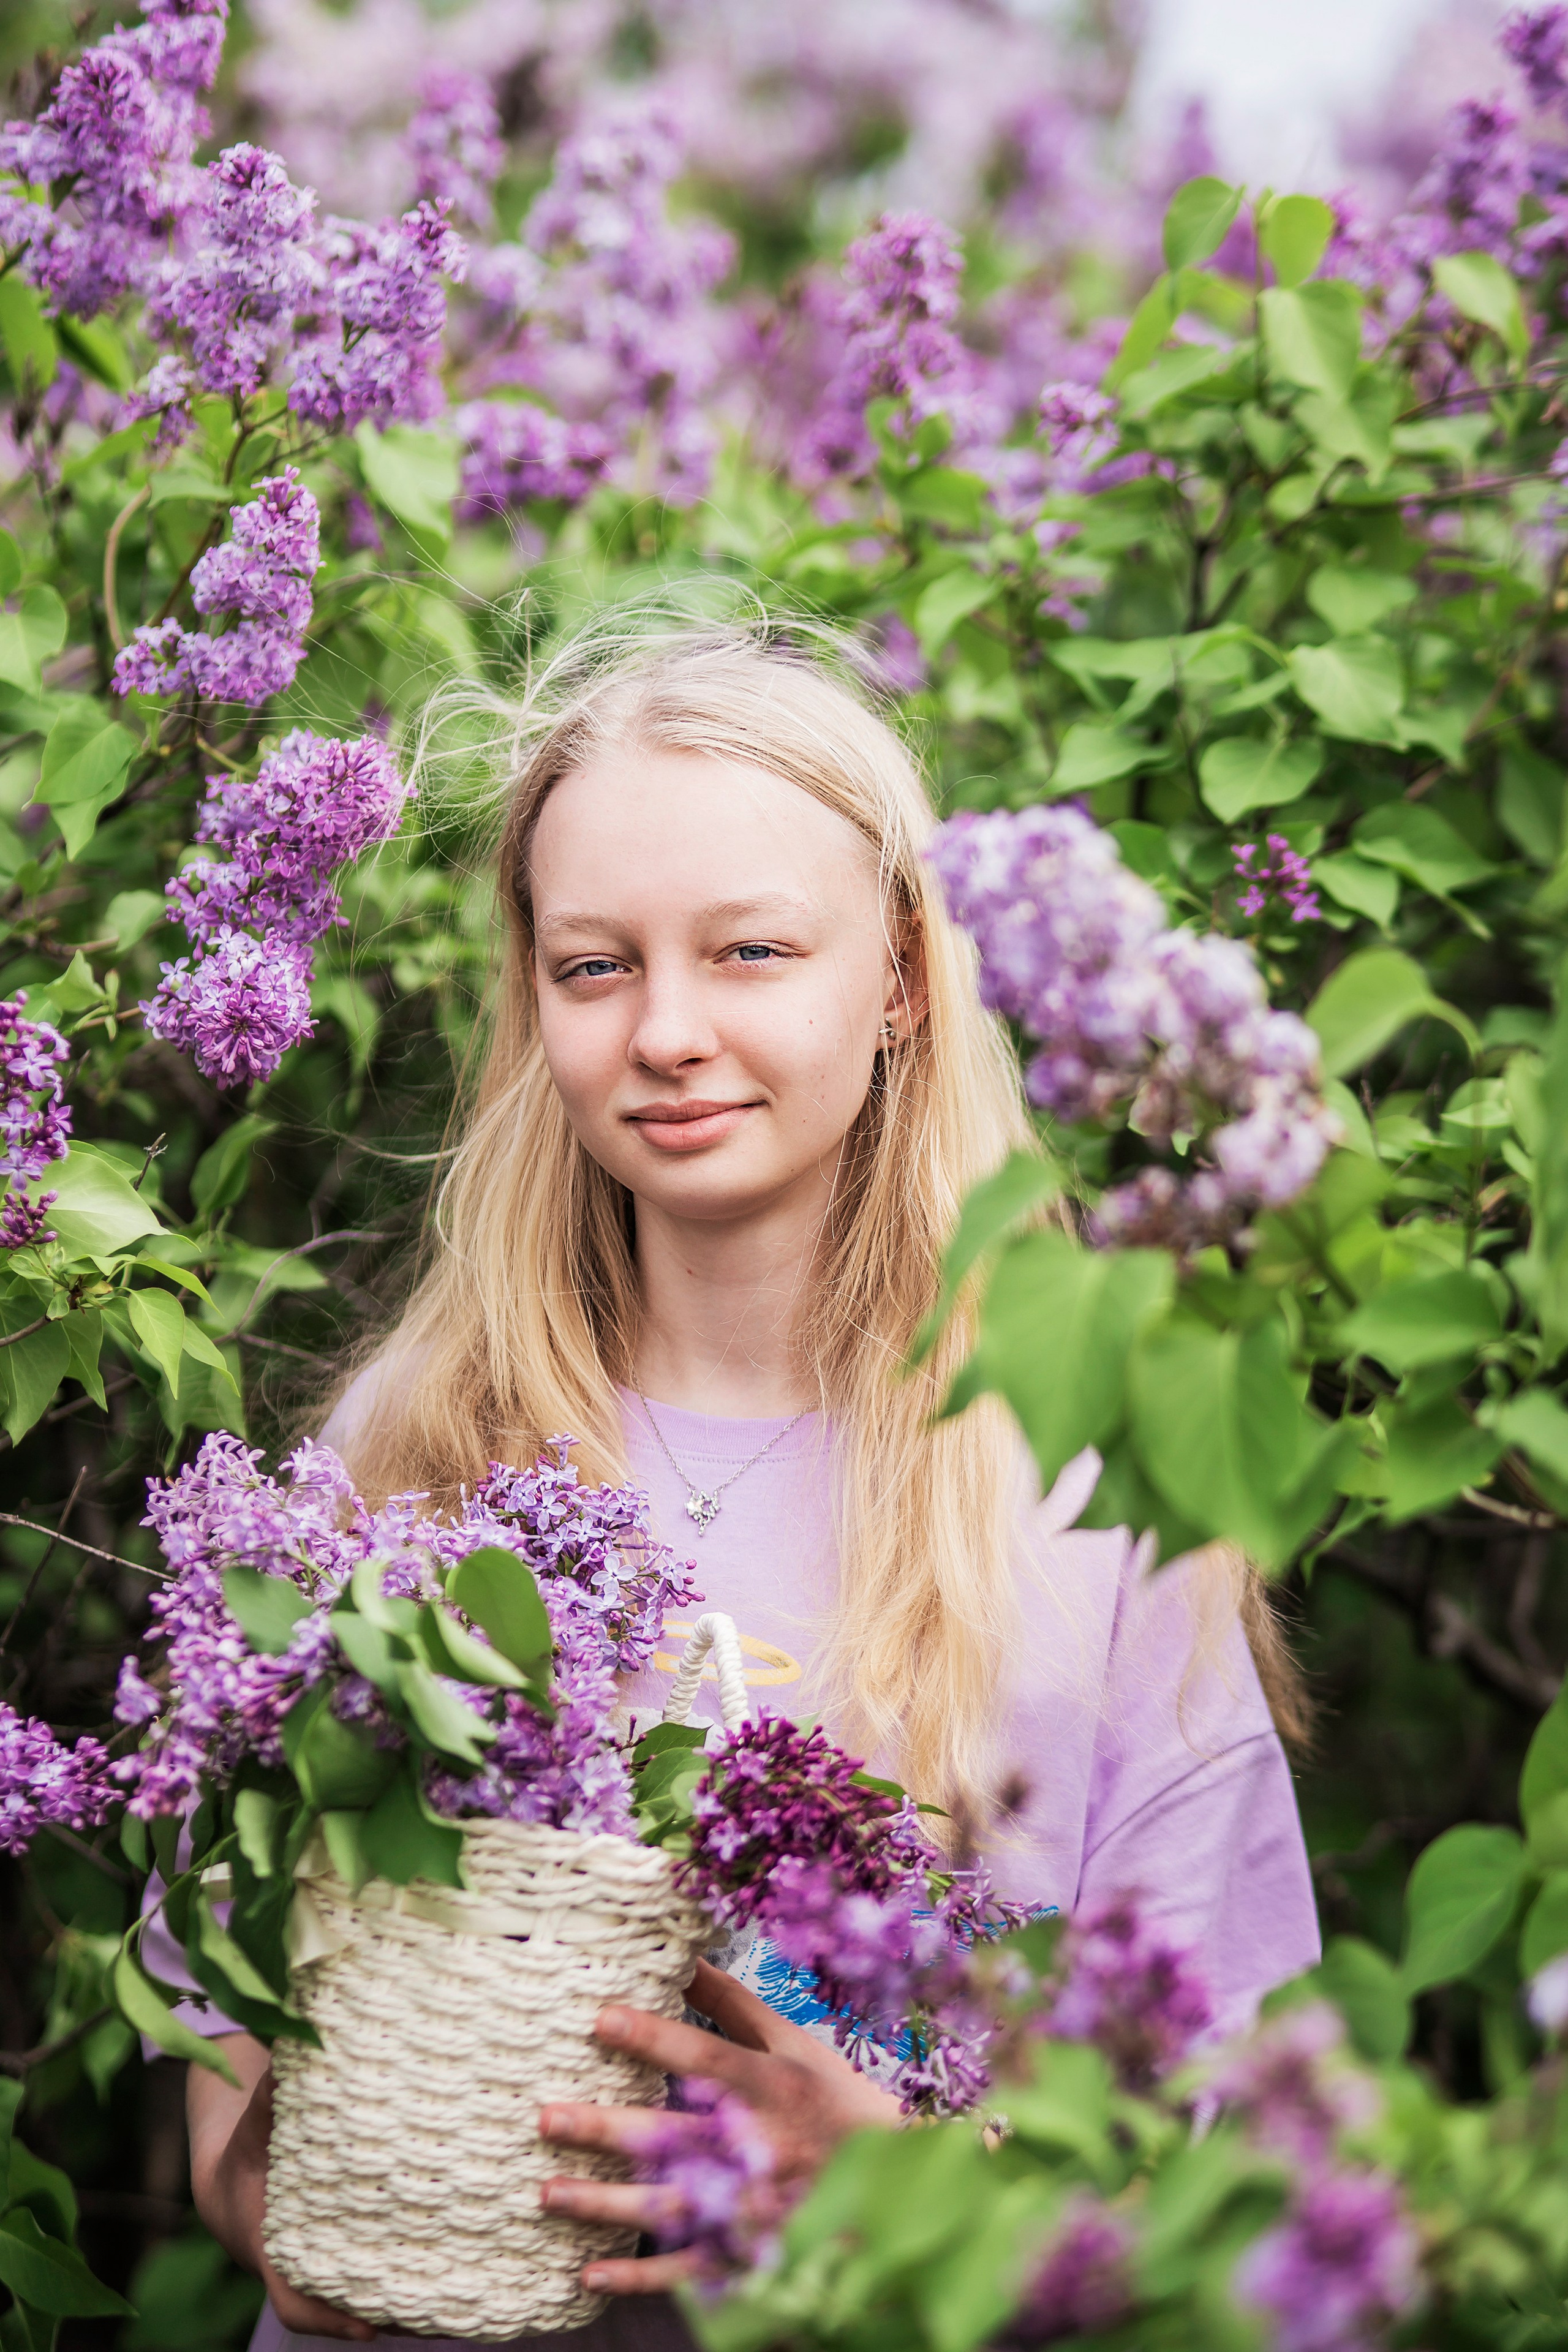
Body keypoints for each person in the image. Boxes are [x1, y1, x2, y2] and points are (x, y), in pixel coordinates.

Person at [173, 619, 1321, 2351]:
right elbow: (235, 2139)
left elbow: (1241, 2172)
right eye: (595, 967)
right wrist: (351, 2181)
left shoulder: (1094, 1507)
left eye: (753, 950)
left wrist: (908, 2193)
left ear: (903, 979)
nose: (668, 1032)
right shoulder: (403, 1459)